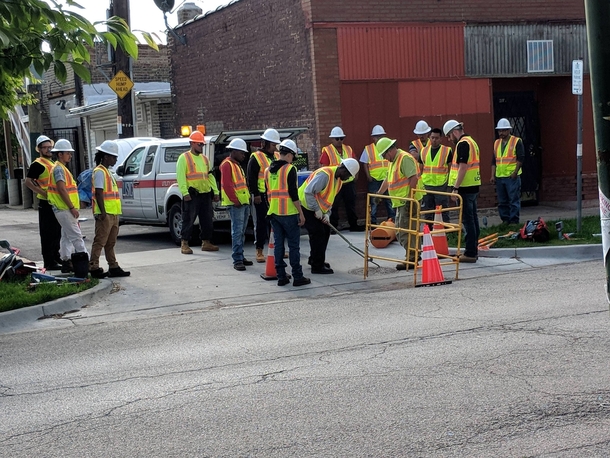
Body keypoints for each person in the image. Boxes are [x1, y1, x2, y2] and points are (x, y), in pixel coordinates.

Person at [299, 158, 360, 274]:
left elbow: (329, 199)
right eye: (348, 175)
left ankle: (316, 259)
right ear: (343, 169)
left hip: (318, 209)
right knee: (318, 234)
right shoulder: (325, 175)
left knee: (325, 231)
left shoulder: (338, 180)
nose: (347, 178)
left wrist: (327, 213)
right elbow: (308, 192)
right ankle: (317, 266)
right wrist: (317, 210)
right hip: (306, 206)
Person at [266, 139, 311, 287]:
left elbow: (268, 193)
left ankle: (281, 276)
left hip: (274, 213)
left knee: (279, 245)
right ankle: (297, 276)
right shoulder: (290, 169)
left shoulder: (268, 170)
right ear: (290, 154)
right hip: (289, 213)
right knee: (294, 246)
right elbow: (293, 193)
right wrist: (301, 213)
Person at [46, 139, 89, 277]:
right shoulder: (59, 169)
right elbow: (62, 189)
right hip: (64, 209)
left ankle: (66, 262)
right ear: (60, 154)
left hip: (61, 209)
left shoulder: (59, 168)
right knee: (77, 237)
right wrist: (72, 207)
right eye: (68, 153)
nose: (70, 156)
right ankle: (86, 265)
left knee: (66, 237)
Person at [376, 138, 420, 271]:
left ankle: (412, 257)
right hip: (400, 202)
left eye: (384, 155)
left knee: (404, 231)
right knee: (403, 231)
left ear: (389, 150)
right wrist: (379, 193)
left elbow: (414, 178)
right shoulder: (394, 161)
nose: (384, 158)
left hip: (407, 201)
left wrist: (409, 199)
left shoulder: (404, 158)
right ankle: (412, 256)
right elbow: (388, 179)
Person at [89, 140, 130, 279]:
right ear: (106, 156)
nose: (116, 159)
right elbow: (99, 193)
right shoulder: (100, 172)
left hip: (113, 213)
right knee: (100, 241)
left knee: (110, 242)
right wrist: (103, 212)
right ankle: (93, 266)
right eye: (113, 156)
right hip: (105, 214)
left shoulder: (107, 172)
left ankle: (113, 266)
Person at [443, 120, 481, 263]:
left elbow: (463, 167)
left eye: (449, 136)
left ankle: (470, 252)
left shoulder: (463, 144)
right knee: (473, 219)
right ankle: (473, 249)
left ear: (454, 132)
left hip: (465, 188)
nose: (449, 139)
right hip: (473, 185)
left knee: (468, 220)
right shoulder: (472, 142)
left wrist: (455, 188)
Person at [177, 130, 220, 254]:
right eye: (199, 144)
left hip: (205, 194)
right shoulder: (184, 158)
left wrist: (215, 191)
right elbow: (180, 177)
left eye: (202, 144)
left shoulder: (205, 159)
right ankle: (184, 243)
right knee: (188, 219)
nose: (201, 146)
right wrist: (185, 193)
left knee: (207, 220)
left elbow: (210, 176)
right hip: (192, 195)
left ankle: (206, 242)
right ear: (192, 143)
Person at [25, 135, 62, 270]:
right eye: (45, 148)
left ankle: (55, 257)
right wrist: (43, 192)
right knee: (48, 233)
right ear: (39, 149)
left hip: (55, 202)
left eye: (49, 147)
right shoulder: (37, 164)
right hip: (46, 203)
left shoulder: (52, 163)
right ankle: (49, 261)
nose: (48, 150)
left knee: (57, 232)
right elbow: (28, 182)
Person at [320, 126, 364, 232]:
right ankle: (333, 226)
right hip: (335, 182)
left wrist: (356, 175)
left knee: (351, 205)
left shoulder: (348, 149)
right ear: (332, 139)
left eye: (341, 138)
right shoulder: (327, 150)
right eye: (337, 138)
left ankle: (353, 225)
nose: (339, 141)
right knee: (333, 205)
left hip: (349, 182)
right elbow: (324, 167)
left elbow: (355, 162)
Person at [247, 128, 280, 262]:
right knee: (261, 224)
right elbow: (251, 177)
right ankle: (259, 250)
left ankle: (277, 249)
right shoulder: (256, 157)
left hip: (275, 195)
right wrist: (255, 194)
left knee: (276, 224)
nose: (275, 148)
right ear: (265, 143)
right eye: (273, 145)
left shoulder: (277, 156)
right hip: (261, 195)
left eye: (276, 145)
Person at [220, 138, 253, 271]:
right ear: (234, 151)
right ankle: (237, 259)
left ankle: (240, 255)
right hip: (237, 204)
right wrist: (236, 201)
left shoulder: (235, 164)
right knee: (237, 231)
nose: (244, 156)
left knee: (241, 231)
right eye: (242, 153)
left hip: (242, 203)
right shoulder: (227, 164)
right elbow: (227, 185)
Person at [490, 118, 524, 225]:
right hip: (500, 176)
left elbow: (520, 158)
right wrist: (492, 175)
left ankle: (514, 221)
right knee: (502, 201)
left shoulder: (516, 141)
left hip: (511, 176)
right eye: (500, 131)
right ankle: (505, 220)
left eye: (504, 130)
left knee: (513, 200)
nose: (501, 133)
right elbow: (494, 160)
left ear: (509, 130)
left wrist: (515, 172)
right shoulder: (496, 143)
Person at [359, 125, 395, 225]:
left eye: (380, 136)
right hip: (374, 179)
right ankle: (373, 222)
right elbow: (364, 163)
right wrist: (368, 176)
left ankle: (391, 220)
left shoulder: (387, 147)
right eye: (377, 136)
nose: (379, 138)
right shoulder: (368, 149)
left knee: (389, 201)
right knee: (374, 202)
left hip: (387, 178)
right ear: (373, 138)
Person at [420, 128, 453, 223]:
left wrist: (449, 185)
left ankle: (446, 232)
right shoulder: (423, 151)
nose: (434, 140)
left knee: (442, 211)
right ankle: (429, 233)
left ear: (441, 139)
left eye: (437, 138)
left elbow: (451, 169)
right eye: (432, 138)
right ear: (429, 138)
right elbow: (421, 169)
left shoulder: (447, 151)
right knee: (428, 212)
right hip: (427, 186)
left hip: (441, 186)